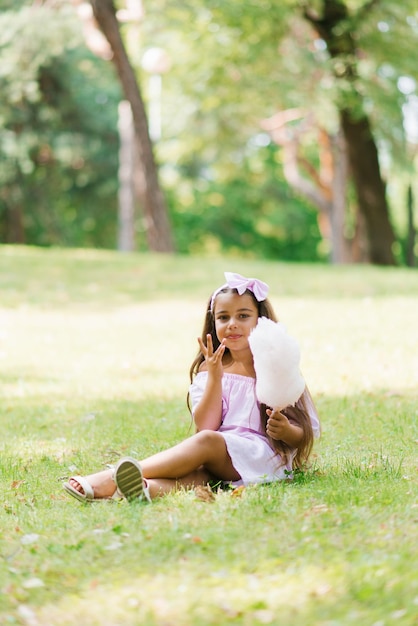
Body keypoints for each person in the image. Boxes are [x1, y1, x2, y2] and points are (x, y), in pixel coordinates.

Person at [63, 272, 320, 503]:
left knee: (207, 443)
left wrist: (286, 430)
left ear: (260, 320)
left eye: (243, 316)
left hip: (260, 455)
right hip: (220, 454)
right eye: (223, 317)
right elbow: (206, 425)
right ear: (213, 323)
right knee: (199, 474)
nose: (232, 323)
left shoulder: (275, 366)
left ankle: (106, 478)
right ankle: (141, 488)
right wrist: (215, 379)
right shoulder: (211, 370)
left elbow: (306, 432)